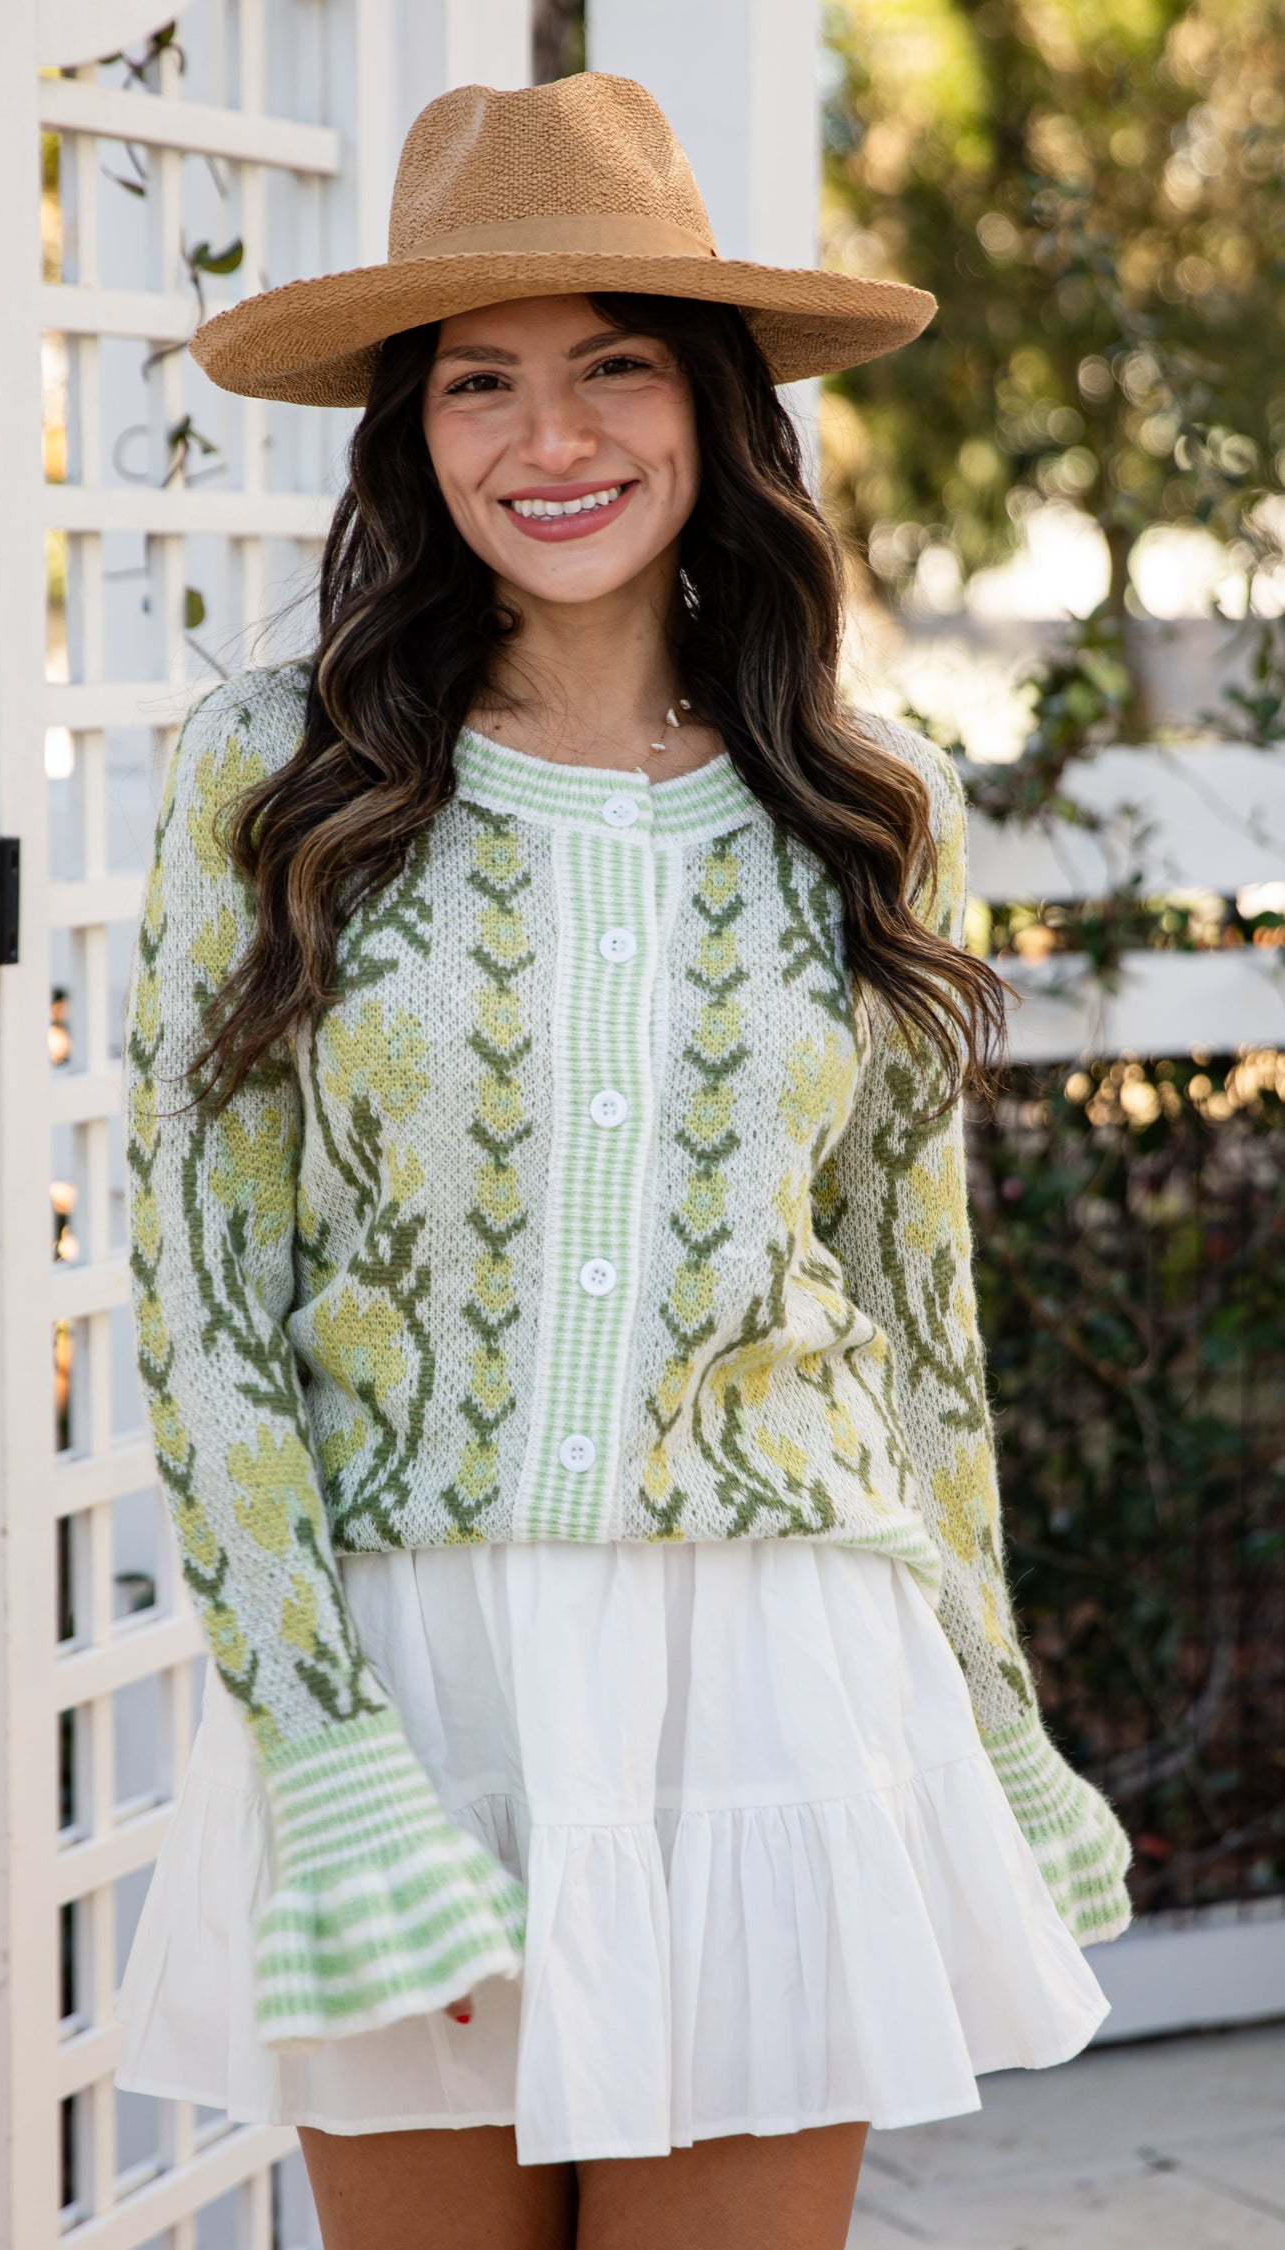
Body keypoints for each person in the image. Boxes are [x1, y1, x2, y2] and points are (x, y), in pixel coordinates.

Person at [114, 72, 1131, 2250]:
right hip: (411, 1686)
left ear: (718, 413)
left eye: (613, 373)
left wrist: (999, 1711)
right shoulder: (266, 782)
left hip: (772, 1690)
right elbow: (210, 1312)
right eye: (482, 383)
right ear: (414, 432)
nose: (548, 442)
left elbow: (911, 1324)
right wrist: (321, 1744)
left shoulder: (875, 804)